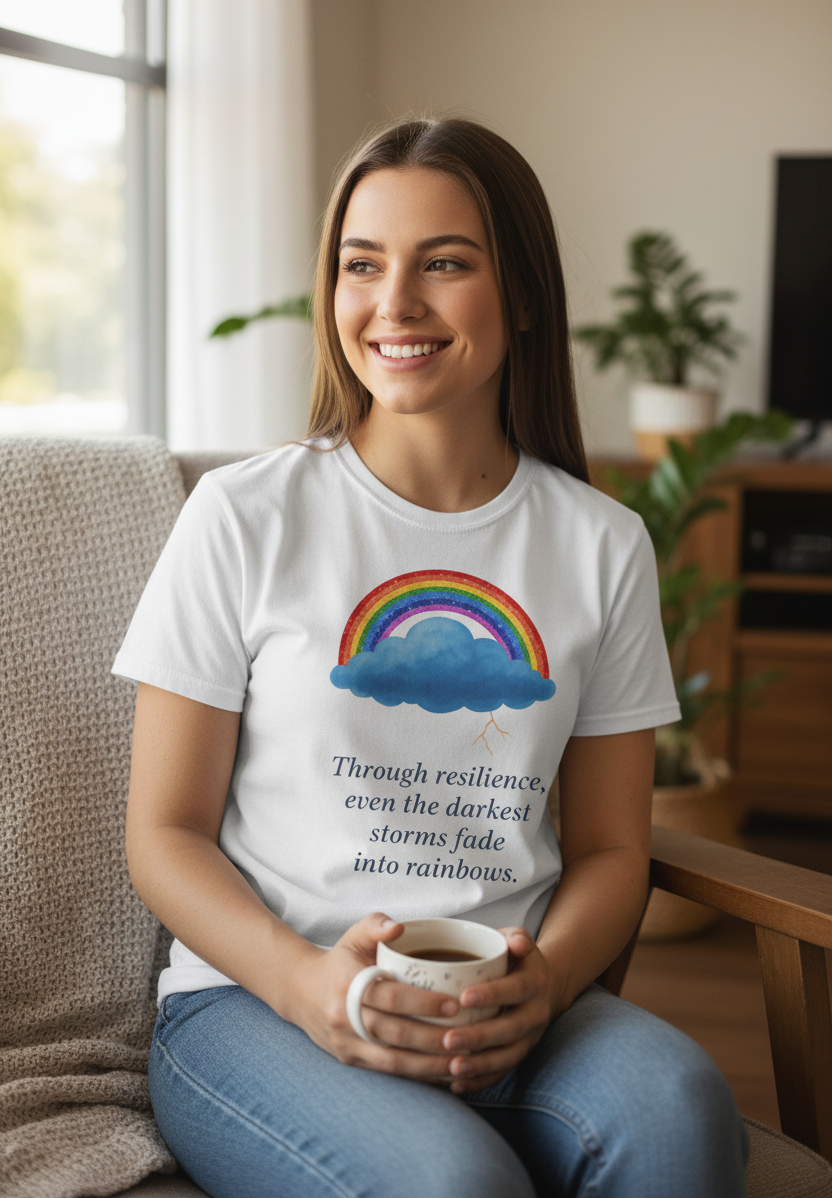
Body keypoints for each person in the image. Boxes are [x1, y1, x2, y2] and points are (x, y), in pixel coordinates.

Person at [114, 117, 748, 1198]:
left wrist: (541, 983)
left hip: (508, 1000)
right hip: (257, 1005)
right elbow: (162, 834)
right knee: (450, 1183)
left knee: (680, 1113)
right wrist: (308, 983)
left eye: (444, 264)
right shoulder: (243, 517)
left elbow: (608, 848)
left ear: (525, 295)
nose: (393, 303)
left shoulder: (601, 545)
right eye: (362, 266)